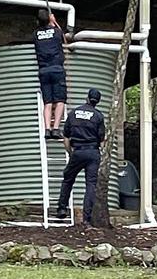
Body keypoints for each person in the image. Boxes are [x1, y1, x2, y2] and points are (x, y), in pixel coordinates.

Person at [56, 88, 106, 225]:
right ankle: (86, 220)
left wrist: (71, 153)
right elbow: (102, 141)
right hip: (93, 152)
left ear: (87, 98)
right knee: (90, 185)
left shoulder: (73, 113)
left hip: (78, 151)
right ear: (98, 101)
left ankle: (61, 208)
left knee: (68, 178)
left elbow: (66, 138)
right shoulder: (98, 116)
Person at [33, 9, 71, 140]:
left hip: (43, 71)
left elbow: (44, 32)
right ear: (49, 20)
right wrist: (54, 23)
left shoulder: (36, 34)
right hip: (57, 69)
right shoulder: (56, 32)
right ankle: (55, 129)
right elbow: (65, 40)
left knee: (48, 103)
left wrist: (49, 23)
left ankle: (47, 130)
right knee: (60, 101)